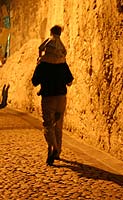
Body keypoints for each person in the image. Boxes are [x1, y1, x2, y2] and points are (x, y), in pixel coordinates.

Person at [32, 25, 74, 166]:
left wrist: (39, 63)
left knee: (48, 125)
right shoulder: (63, 63)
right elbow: (69, 82)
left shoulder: (43, 64)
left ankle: (53, 147)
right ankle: (58, 150)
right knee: (58, 125)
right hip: (61, 97)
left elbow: (34, 81)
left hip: (48, 98)